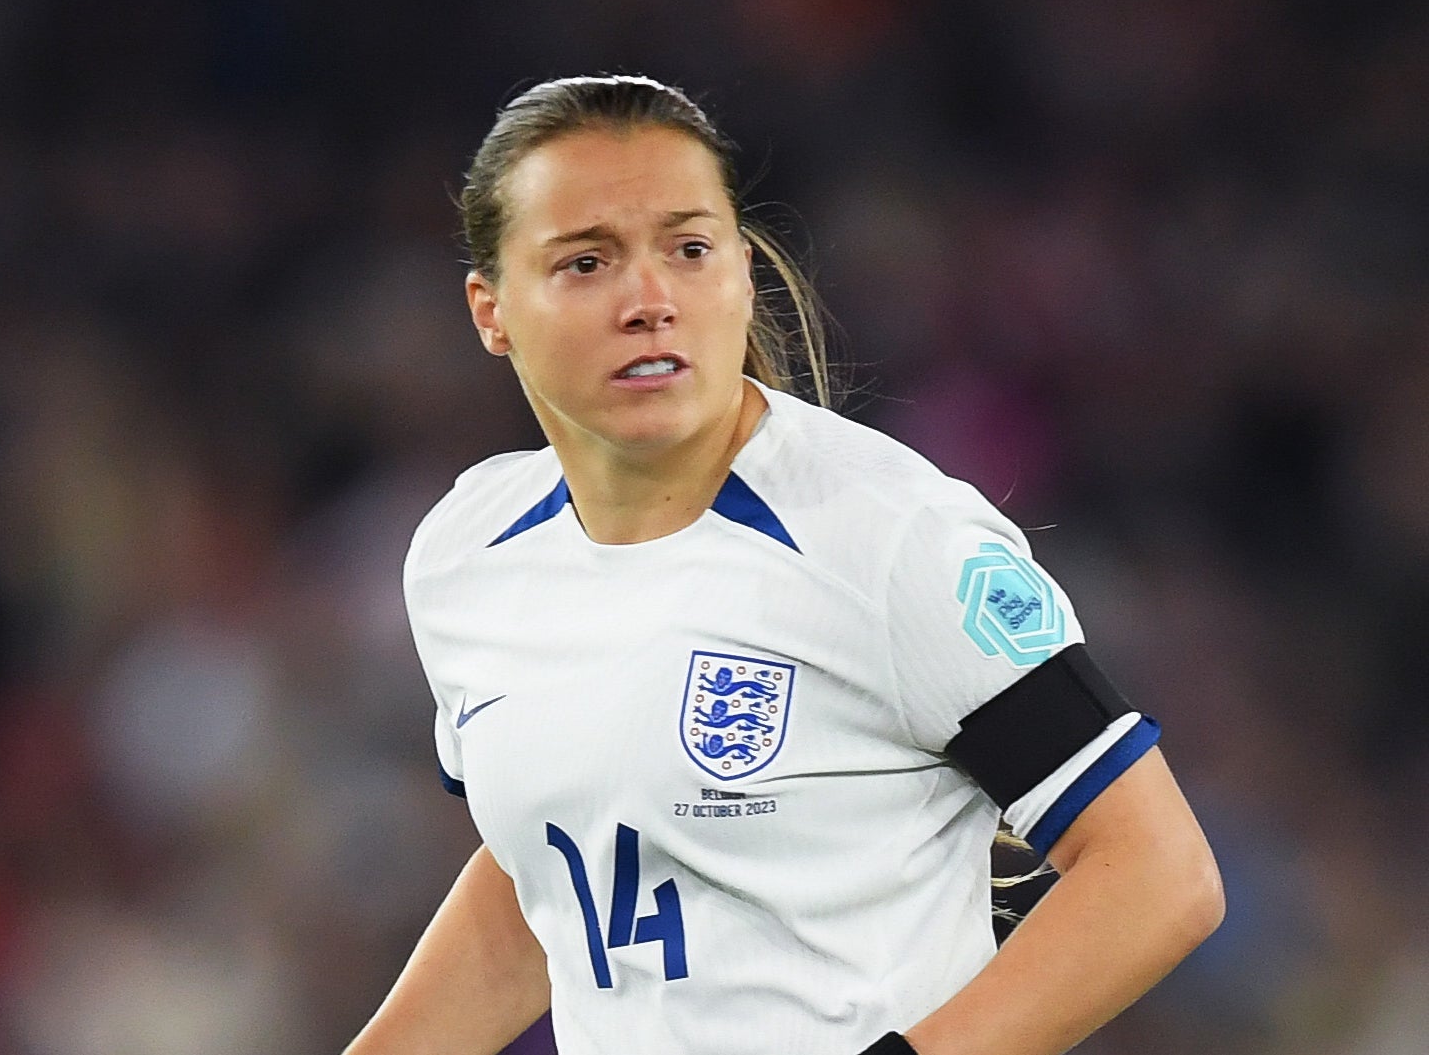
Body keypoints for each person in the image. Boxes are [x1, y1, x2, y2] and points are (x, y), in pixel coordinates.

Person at [343, 75, 1223, 1055]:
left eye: (688, 249)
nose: (647, 301)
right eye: (585, 262)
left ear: (743, 272)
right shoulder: (468, 551)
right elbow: (556, 861)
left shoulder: (887, 538)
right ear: (490, 309)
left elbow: (1156, 873)